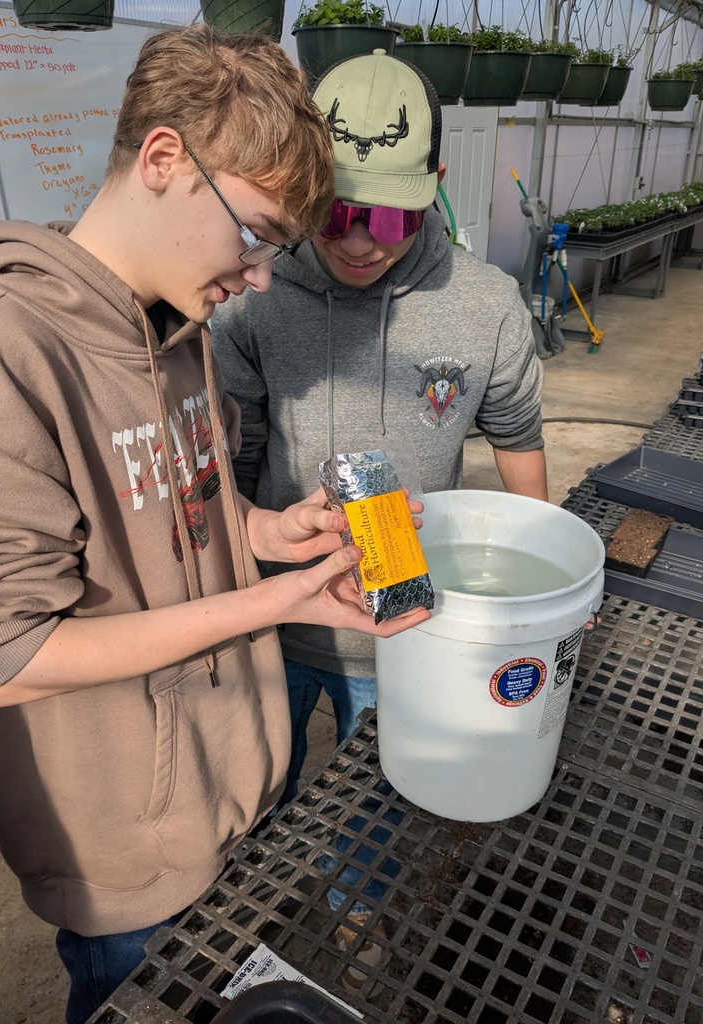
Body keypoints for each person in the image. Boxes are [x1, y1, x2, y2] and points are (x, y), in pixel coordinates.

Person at [0, 27, 430, 1024]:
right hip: (131, 847)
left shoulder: (175, 325)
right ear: (164, 158)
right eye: (254, 232)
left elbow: (189, 505)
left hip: (231, 789)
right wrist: (273, 603)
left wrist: (271, 533)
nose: (260, 275)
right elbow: (4, 656)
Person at [212, 50, 548, 807]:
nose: (360, 243)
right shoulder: (252, 295)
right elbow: (234, 459)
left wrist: (542, 590)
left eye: (392, 217)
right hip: (277, 614)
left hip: (407, 629)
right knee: (257, 807)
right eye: (334, 213)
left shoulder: (486, 305)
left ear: (435, 182)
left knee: (379, 814)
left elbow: (517, 437)